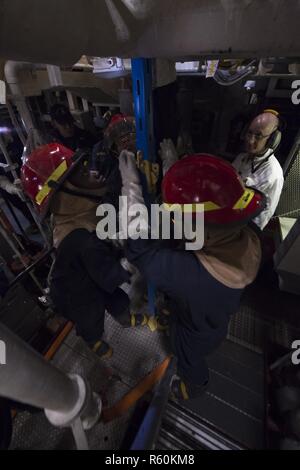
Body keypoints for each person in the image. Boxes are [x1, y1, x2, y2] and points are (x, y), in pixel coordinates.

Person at [118, 150, 265, 401]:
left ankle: (195, 385)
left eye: (178, 219)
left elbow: (139, 251)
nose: (174, 223)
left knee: (186, 356)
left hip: (196, 336)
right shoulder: (246, 236)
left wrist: (131, 187)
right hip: (210, 318)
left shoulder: (194, 275)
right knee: (179, 313)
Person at [21, 142, 147, 359]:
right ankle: (93, 339)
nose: (92, 174)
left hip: (89, 275)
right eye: (79, 173)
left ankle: (124, 316)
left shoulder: (74, 218)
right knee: (91, 315)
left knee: (113, 297)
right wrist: (133, 262)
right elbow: (110, 274)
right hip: (76, 293)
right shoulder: (80, 238)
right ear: (64, 192)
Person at [232, 109, 284, 230]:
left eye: (258, 136)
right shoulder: (242, 157)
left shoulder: (273, 174)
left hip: (243, 228)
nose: (250, 140)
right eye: (249, 133)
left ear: (272, 140)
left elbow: (261, 218)